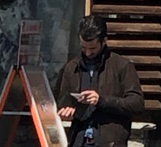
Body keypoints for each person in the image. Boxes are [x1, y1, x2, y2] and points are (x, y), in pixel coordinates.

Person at [57, 15, 145, 147]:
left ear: (104, 41)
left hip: (109, 141)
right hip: (79, 139)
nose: (88, 53)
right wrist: (67, 111)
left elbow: (137, 104)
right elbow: (63, 102)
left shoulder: (121, 66)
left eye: (92, 48)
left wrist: (101, 101)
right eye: (83, 48)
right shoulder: (71, 67)